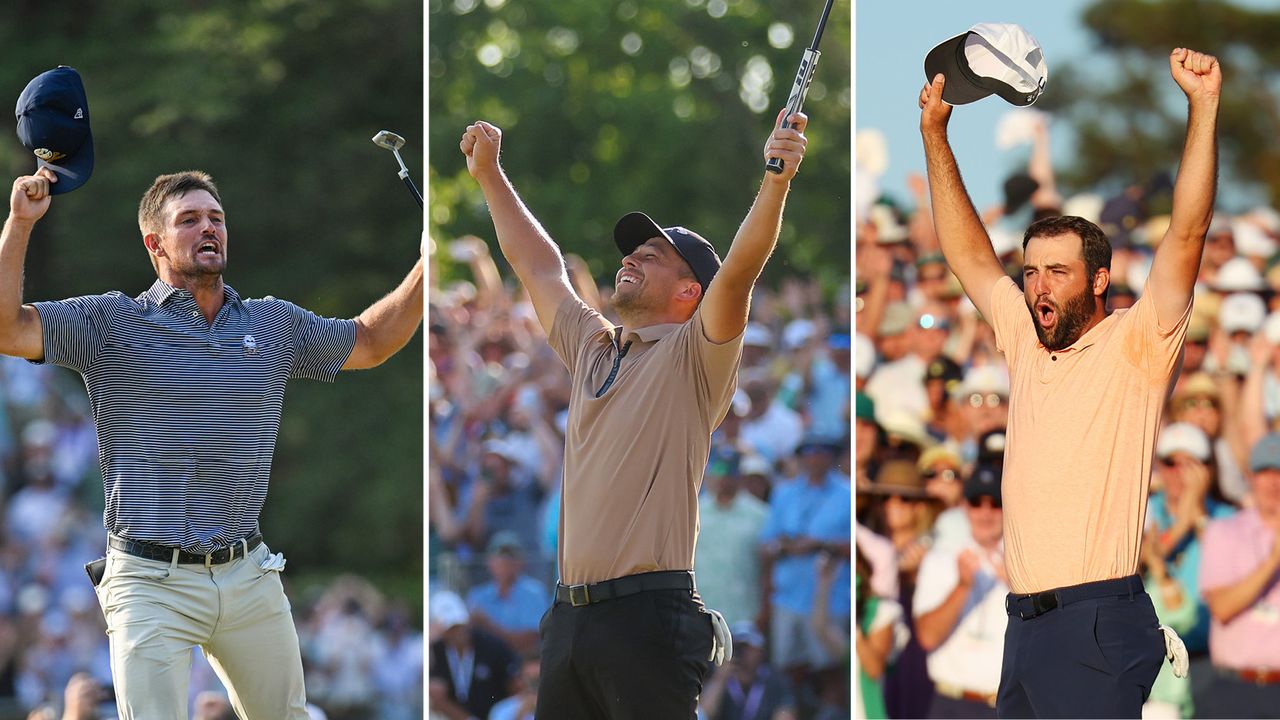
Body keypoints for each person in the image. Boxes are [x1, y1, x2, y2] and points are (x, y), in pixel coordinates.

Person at [3, 160, 423, 718]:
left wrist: (426, 267)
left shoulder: (272, 324)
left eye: (217, 218)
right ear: (155, 242)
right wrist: (20, 223)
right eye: (190, 220)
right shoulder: (111, 323)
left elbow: (370, 343)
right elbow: (7, 329)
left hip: (246, 572)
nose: (209, 229)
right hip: (149, 580)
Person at [460, 106, 809, 718]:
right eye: (633, 252)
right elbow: (538, 265)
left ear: (689, 292)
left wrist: (776, 179)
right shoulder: (595, 345)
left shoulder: (697, 353)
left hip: (649, 617)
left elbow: (741, 273)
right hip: (569, 619)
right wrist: (491, 175)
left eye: (651, 256)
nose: (630, 259)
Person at [918, 46, 1220, 717]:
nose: (1037, 285)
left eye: (1056, 271)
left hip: (1093, 620)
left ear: (1100, 280)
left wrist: (1203, 108)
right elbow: (966, 252)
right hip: (1025, 625)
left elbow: (1190, 231)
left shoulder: (1138, 343)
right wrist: (935, 137)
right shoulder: (1025, 337)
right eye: (1030, 272)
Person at [912, 464, 1008, 719]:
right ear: (965, 507)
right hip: (953, 705)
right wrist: (962, 587)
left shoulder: (1023, 566)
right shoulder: (940, 560)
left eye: (995, 504)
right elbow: (928, 637)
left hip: (1008, 706)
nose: (986, 513)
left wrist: (1017, 586)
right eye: (977, 502)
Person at [1198, 433, 1280, 717]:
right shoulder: (1225, 532)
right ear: (1250, 477)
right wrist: (1273, 562)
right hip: (1235, 690)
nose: (1274, 481)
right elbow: (1222, 607)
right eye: (1265, 471)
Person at [427, 591, 518, 720]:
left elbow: (513, 683)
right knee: (434, 689)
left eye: (459, 626)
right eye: (450, 628)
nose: (457, 632)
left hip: (495, 715)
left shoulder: (491, 645)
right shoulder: (436, 650)